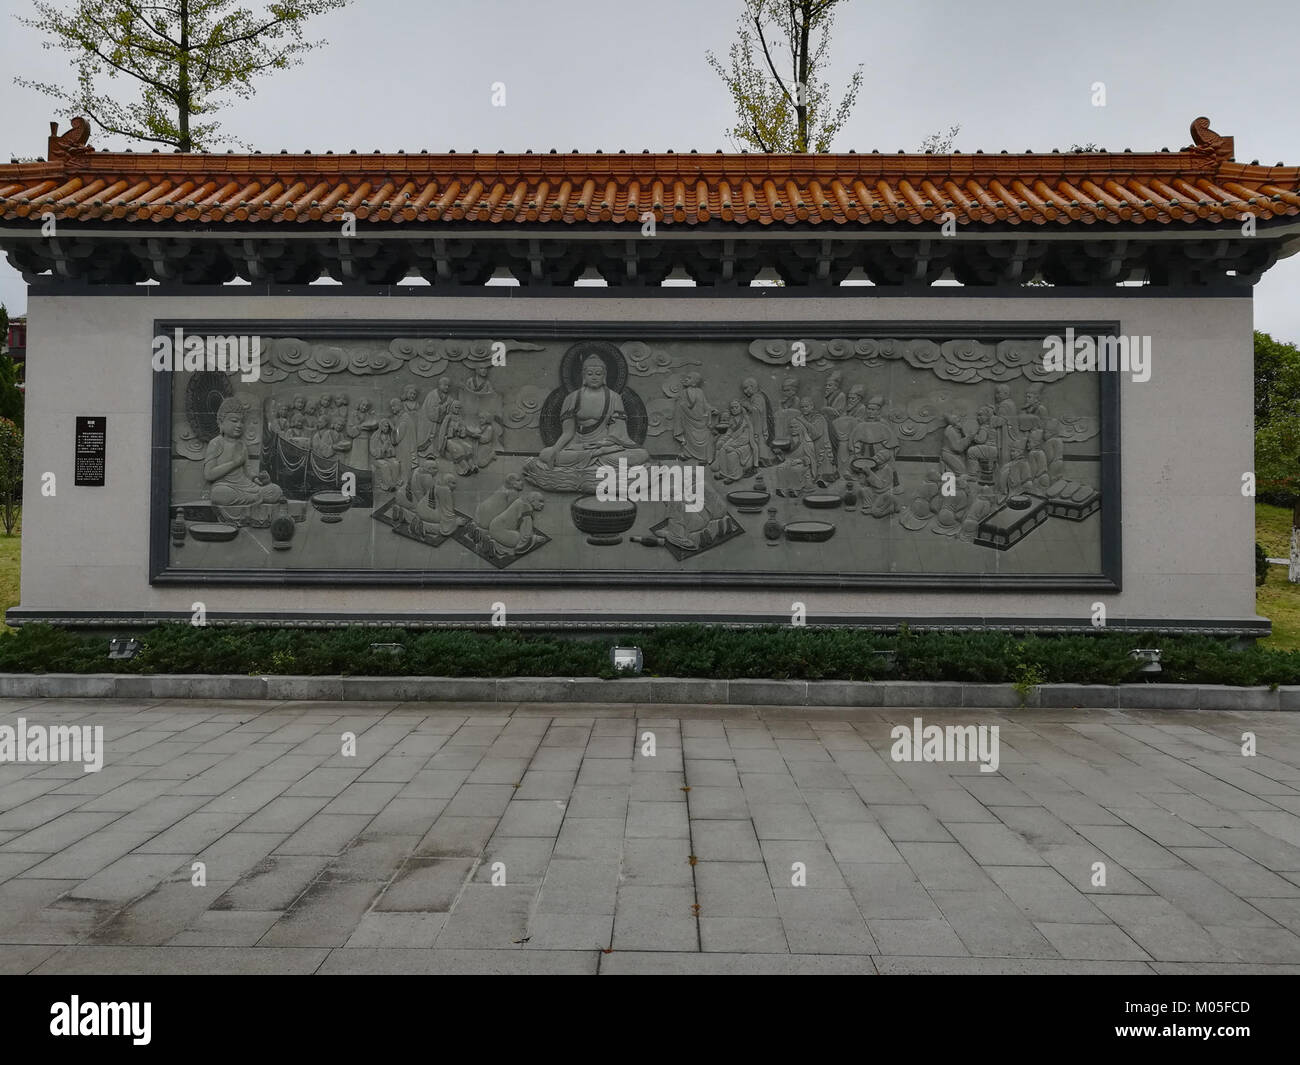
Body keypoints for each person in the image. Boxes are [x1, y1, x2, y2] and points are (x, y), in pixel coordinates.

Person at [536, 353, 649, 471]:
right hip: (579, 446)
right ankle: (594, 460)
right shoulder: (573, 398)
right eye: (590, 374)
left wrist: (603, 445)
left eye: (598, 374)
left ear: (604, 376)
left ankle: (592, 460)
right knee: (545, 454)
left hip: (606, 447)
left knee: (642, 455)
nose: (594, 377)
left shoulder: (614, 398)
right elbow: (567, 433)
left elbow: (618, 432)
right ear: (584, 376)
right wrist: (555, 450)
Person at [204, 398, 284, 506]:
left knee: (276, 490)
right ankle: (256, 498)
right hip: (225, 486)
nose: (239, 425)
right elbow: (209, 474)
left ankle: (254, 497)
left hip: (246, 486)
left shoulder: (242, 445)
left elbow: (247, 470)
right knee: (218, 495)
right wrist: (234, 463)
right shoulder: (216, 443)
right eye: (234, 421)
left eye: (241, 421)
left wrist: (256, 478)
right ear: (221, 422)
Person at [672, 371, 716, 464]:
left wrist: (711, 409)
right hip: (688, 419)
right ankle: (687, 454)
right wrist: (681, 406)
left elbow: (705, 404)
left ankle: (704, 457)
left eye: (689, 378)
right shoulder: (683, 393)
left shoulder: (700, 392)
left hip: (700, 419)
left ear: (694, 382)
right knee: (688, 437)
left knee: (705, 436)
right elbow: (683, 405)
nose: (686, 379)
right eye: (686, 377)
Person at [712, 400, 758, 483]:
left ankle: (733, 476)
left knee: (732, 454)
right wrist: (722, 441)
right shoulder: (732, 420)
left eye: (736, 407)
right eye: (732, 408)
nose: (734, 409)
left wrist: (732, 446)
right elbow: (729, 433)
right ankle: (724, 473)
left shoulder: (746, 420)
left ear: (741, 408)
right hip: (734, 442)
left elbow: (745, 437)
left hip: (745, 445)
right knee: (722, 450)